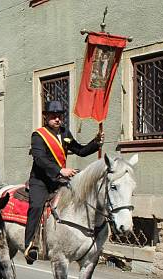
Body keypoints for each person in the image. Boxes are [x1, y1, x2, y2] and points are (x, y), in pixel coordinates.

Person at [23, 100, 104, 264]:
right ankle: (30, 245)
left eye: (59, 116)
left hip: (59, 180)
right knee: (37, 206)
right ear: (46, 117)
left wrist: (96, 143)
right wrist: (60, 170)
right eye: (53, 116)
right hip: (41, 180)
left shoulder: (65, 133)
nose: (57, 119)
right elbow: (40, 159)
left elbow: (80, 151)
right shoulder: (38, 135)